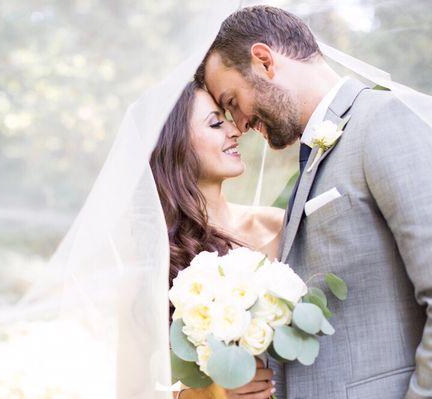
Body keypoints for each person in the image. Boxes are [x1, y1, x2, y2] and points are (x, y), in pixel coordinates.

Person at [195, 5, 431, 399]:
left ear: (264, 61)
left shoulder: (382, 119)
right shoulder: (312, 160)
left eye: (232, 101)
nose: (239, 125)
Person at [150, 80, 282, 399]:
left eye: (228, 118)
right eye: (215, 123)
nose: (235, 131)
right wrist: (215, 392)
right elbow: (137, 388)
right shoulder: (158, 259)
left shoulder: (278, 225)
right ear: (175, 144)